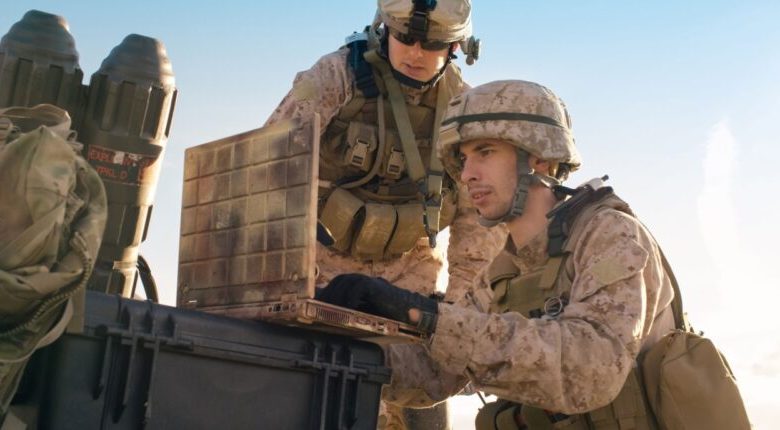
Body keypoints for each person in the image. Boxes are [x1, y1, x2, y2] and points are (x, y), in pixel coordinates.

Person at [317, 80, 681, 429]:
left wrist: (424, 315)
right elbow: (434, 373)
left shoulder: (610, 234)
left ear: (539, 158)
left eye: (485, 152)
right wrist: (331, 338)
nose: (467, 175)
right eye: (463, 159)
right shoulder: (503, 271)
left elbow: (590, 369)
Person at [264, 1, 505, 428]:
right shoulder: (336, 76)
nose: (416, 53)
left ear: (455, 48)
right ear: (384, 31)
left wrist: (457, 307)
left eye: (432, 44)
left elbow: (479, 218)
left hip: (409, 278)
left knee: (421, 392)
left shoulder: (464, 110)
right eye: (405, 38)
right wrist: (286, 269)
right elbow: (271, 160)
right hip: (322, 273)